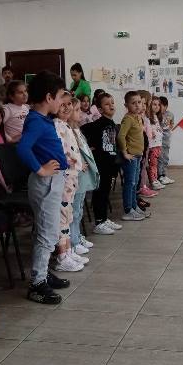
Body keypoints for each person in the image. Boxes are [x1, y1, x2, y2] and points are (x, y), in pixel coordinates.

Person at [17, 71, 70, 305]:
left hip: (52, 182)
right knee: (47, 234)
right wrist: (40, 170)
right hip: (46, 183)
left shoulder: (42, 119)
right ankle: (37, 284)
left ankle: (43, 272)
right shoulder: (37, 121)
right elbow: (23, 148)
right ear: (49, 98)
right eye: (59, 98)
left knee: (47, 231)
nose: (61, 103)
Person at [52, 93, 84, 272]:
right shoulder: (56, 125)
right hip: (64, 176)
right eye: (62, 104)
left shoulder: (66, 125)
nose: (66, 108)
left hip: (72, 176)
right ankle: (62, 256)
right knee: (63, 216)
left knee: (68, 214)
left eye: (69, 104)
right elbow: (60, 150)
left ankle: (69, 250)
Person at [82, 93, 122, 235]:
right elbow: (82, 130)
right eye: (107, 104)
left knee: (106, 192)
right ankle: (99, 222)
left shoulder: (111, 123)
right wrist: (89, 147)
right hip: (101, 165)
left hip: (110, 164)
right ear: (99, 109)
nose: (111, 105)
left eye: (112, 102)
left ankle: (104, 219)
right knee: (100, 193)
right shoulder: (98, 124)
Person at [69, 97, 98, 257]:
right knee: (73, 211)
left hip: (82, 175)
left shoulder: (77, 130)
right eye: (77, 110)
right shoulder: (68, 131)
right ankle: (73, 241)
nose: (80, 113)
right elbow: (72, 153)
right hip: (76, 175)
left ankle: (77, 237)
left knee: (79, 209)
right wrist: (80, 162)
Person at [117, 91, 146, 221]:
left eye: (139, 102)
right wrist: (125, 152)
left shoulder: (137, 117)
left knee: (135, 183)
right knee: (130, 183)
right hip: (131, 157)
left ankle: (134, 206)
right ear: (126, 105)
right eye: (133, 103)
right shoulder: (128, 118)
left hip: (138, 156)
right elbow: (121, 136)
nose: (137, 105)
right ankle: (128, 210)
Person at [147, 95, 164, 190]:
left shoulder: (156, 117)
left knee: (155, 164)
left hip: (158, 145)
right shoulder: (148, 117)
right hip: (152, 145)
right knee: (153, 164)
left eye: (158, 105)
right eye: (154, 104)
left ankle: (155, 179)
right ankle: (153, 181)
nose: (157, 106)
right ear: (150, 105)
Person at [157, 96, 175, 185]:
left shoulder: (170, 114)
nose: (158, 107)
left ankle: (164, 175)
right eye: (157, 105)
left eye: (160, 105)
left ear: (166, 106)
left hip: (166, 141)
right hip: (158, 141)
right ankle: (159, 175)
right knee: (160, 159)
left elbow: (172, 124)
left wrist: (169, 129)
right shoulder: (156, 115)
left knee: (165, 158)